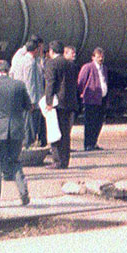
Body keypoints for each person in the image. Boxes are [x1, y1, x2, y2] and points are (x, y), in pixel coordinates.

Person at [0, 60, 30, 207]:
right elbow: (28, 105)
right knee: (14, 161)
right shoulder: (19, 85)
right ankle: (23, 190)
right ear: (8, 71)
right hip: (16, 129)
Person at [43, 41, 78, 169]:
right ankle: (65, 161)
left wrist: (48, 102)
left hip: (57, 103)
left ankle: (57, 160)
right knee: (65, 132)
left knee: (55, 131)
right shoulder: (71, 64)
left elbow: (50, 83)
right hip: (70, 102)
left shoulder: (52, 63)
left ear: (51, 51)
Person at [11, 38, 45, 147]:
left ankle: (25, 144)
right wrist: (31, 101)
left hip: (21, 96)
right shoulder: (31, 63)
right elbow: (30, 83)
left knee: (25, 123)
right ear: (35, 50)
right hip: (31, 99)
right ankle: (28, 145)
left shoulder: (20, 60)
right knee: (30, 125)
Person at [77, 47, 108, 151]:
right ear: (93, 57)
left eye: (102, 57)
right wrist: (83, 93)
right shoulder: (88, 67)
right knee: (90, 122)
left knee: (99, 122)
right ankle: (88, 144)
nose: (101, 59)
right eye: (98, 57)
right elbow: (81, 81)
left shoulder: (104, 68)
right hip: (91, 99)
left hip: (101, 99)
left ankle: (94, 142)